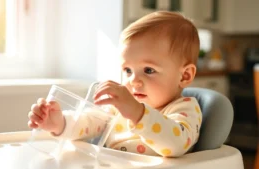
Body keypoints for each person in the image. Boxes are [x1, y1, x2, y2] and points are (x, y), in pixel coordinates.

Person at [28, 11, 202, 157]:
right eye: (127, 70)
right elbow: (87, 123)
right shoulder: (117, 109)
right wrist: (59, 123)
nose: (133, 80)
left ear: (184, 76)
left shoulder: (185, 109)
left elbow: (176, 144)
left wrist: (137, 113)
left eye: (148, 70)